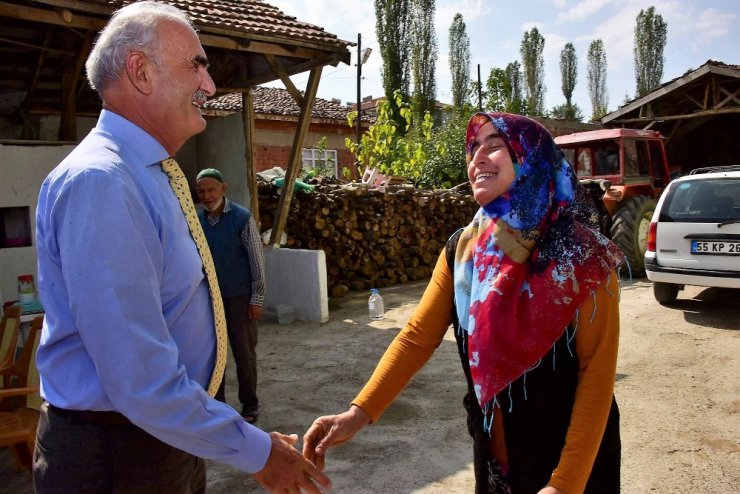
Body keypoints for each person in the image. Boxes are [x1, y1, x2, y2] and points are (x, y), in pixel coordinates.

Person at [33, 2, 330, 493]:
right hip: (118, 458)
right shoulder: (103, 182)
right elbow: (140, 379)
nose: (210, 85)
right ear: (141, 72)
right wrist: (256, 451)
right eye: (196, 64)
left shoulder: (144, 176)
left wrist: (221, 433)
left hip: (155, 439)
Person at [303, 112, 625, 494]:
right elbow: (417, 337)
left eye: (495, 146)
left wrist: (565, 484)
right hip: (495, 453)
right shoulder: (463, 249)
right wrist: (358, 413)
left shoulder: (581, 257)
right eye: (474, 149)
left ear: (531, 157)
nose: (478, 158)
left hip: (572, 459)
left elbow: (597, 374)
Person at [196, 168, 264, 424]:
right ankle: (218, 405)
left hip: (240, 297)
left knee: (244, 353)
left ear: (223, 189)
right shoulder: (197, 221)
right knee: (215, 354)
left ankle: (250, 405)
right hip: (209, 299)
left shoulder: (241, 218)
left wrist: (256, 298)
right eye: (201, 191)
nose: (206, 195)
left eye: (211, 189)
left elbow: (257, 262)